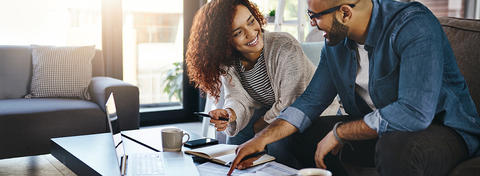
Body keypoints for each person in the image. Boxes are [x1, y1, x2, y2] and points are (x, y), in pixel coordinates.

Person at [229, 0, 480, 175]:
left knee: (395, 148)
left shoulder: (414, 26)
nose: (312, 24)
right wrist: (261, 139)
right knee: (298, 134)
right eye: (310, 15)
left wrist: (341, 133)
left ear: (345, 13)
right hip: (381, 130)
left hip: (443, 130)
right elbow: (309, 103)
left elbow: (414, 113)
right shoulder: (336, 43)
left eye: (315, 16)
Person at [185, 0, 315, 145]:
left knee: (276, 143)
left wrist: (259, 127)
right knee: (235, 138)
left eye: (251, 22)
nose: (251, 33)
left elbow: (291, 102)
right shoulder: (229, 62)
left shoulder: (284, 46)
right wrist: (229, 114)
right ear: (224, 41)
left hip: (309, 113)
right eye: (238, 32)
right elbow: (238, 97)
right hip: (274, 110)